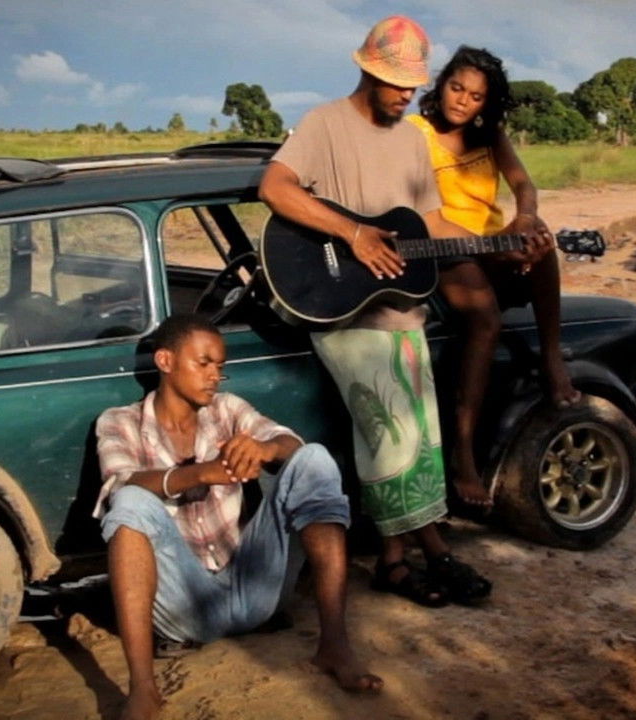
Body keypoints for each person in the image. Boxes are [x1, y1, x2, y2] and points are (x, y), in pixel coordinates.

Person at [259, 15, 492, 608]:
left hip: (401, 310)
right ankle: (435, 553)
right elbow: (276, 188)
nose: (407, 95)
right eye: (397, 83)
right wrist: (353, 233)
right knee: (393, 435)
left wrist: (502, 239)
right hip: (341, 311)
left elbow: (431, 223)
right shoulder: (324, 124)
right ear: (366, 69)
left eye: (414, 85)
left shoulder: (414, 138)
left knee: (421, 440)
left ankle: (394, 561)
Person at [93, 314, 381, 720]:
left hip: (253, 589)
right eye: (204, 363)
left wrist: (266, 451)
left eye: (220, 367)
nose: (215, 376)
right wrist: (200, 473)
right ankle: (143, 688)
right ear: (165, 361)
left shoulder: (227, 409)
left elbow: (287, 441)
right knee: (129, 502)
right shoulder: (119, 422)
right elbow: (121, 484)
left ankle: (334, 645)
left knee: (311, 458)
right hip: (184, 607)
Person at [405, 46, 580, 509]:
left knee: (543, 246)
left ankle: (551, 359)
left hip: (494, 242)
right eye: (456, 87)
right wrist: (490, 248)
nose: (462, 100)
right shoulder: (413, 133)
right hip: (444, 248)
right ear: (441, 85)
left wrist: (523, 221)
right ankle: (462, 453)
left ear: (487, 103)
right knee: (484, 317)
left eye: (475, 96)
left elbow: (524, 185)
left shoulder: (490, 135)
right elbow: (423, 217)